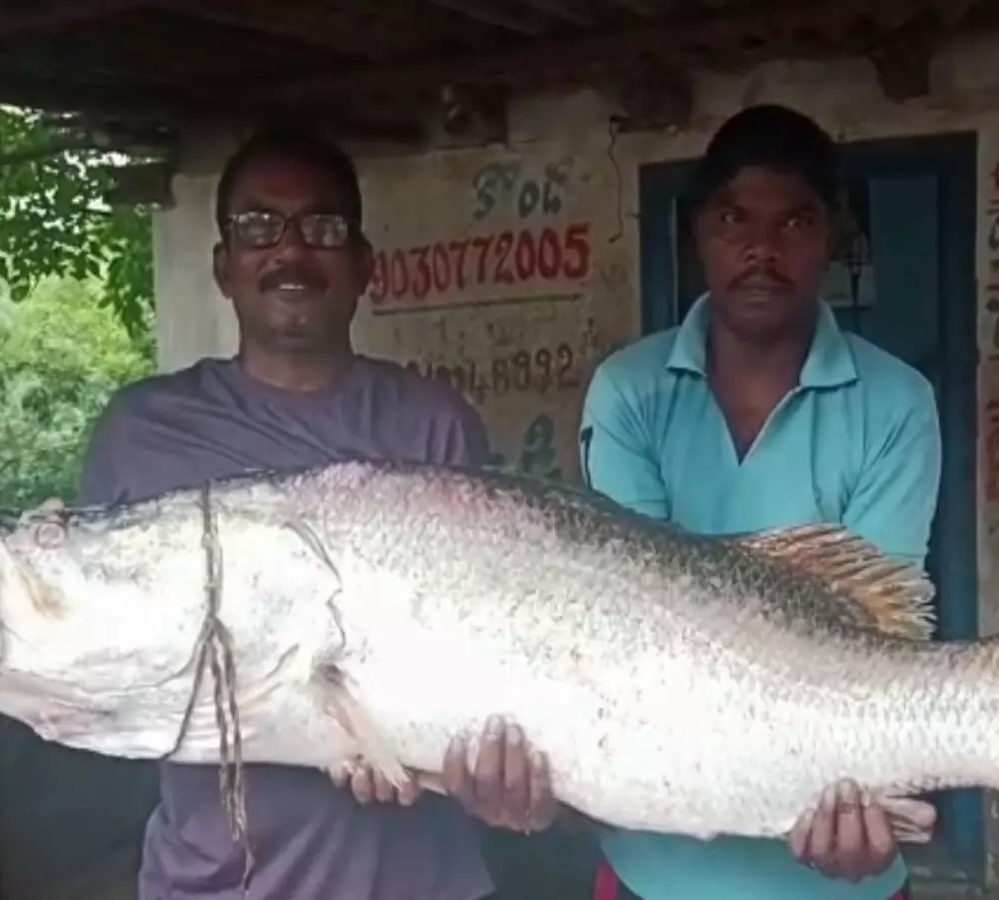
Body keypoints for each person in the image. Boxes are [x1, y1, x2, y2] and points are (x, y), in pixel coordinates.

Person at [77, 124, 555, 900]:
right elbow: (109, 662)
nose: (290, 251)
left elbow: (481, 653)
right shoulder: (145, 431)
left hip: (420, 882)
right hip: (213, 883)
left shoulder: (432, 424)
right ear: (223, 266)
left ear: (365, 265)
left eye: (323, 227)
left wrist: (497, 777)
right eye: (259, 227)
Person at [578, 104, 945, 900]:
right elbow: (636, 623)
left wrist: (873, 803)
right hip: (655, 870)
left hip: (836, 876)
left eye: (794, 222)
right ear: (698, 233)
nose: (760, 249)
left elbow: (876, 624)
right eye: (734, 218)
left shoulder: (897, 403)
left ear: (832, 237)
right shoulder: (629, 392)